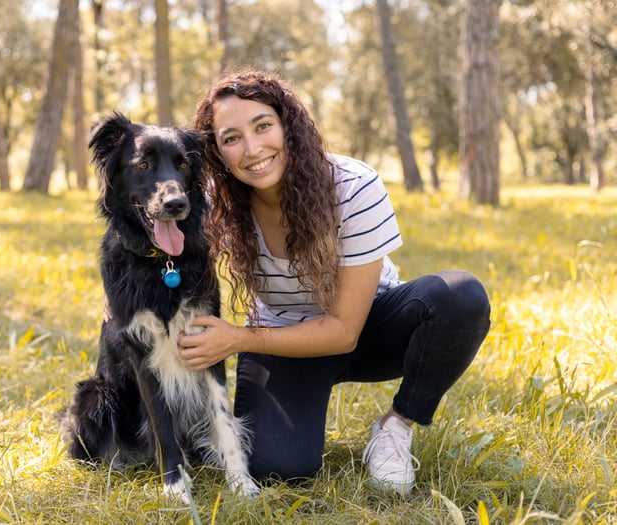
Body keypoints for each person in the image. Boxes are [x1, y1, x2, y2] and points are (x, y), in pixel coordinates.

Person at [176, 69, 491, 495]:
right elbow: (166, 251)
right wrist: (119, 296)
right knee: (278, 469)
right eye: (232, 138)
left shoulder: (353, 185)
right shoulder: (216, 202)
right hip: (283, 340)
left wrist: (237, 338)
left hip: (371, 331)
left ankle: (396, 426)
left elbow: (344, 331)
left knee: (460, 296)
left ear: (288, 124)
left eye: (263, 126)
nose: (252, 149)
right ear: (216, 151)